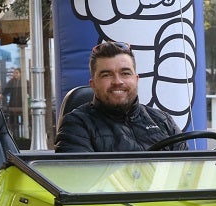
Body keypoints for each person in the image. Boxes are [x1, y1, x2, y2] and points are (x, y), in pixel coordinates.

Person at [55, 40, 186, 152]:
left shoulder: (163, 121)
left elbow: (188, 172)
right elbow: (79, 179)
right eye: (107, 75)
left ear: (136, 79)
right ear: (93, 84)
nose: (117, 81)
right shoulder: (76, 126)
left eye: (125, 73)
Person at [2, 68, 24, 132]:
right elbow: (6, 90)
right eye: (14, 73)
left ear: (20, 74)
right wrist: (2, 95)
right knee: (13, 121)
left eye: (17, 73)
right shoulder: (11, 81)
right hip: (13, 103)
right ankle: (14, 132)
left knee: (23, 121)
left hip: (21, 104)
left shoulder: (24, 82)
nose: (15, 74)